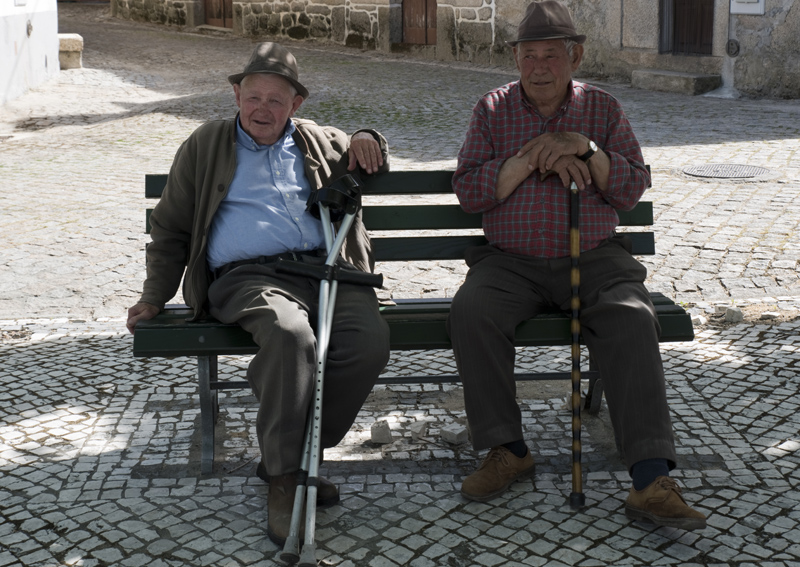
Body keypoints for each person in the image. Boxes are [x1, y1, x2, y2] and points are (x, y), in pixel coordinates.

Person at [447, 1, 706, 530]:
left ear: (576, 57)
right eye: (528, 55)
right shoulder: (491, 110)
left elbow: (630, 190)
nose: (538, 66)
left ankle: (650, 478)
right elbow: (471, 193)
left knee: (632, 316)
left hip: (594, 258)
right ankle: (507, 449)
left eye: (551, 55)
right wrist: (528, 159)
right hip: (509, 262)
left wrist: (584, 148)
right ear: (516, 58)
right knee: (472, 310)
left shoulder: (603, 110)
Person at [126, 42, 391, 545]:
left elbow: (370, 151)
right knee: (291, 337)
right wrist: (154, 296)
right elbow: (170, 227)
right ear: (235, 95)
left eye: (276, 100)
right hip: (247, 278)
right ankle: (285, 476)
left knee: (369, 341)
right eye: (253, 97)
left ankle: (294, 454)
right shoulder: (206, 145)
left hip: (327, 271)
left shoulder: (316, 140)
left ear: (295, 105)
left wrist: (366, 135)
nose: (262, 109)